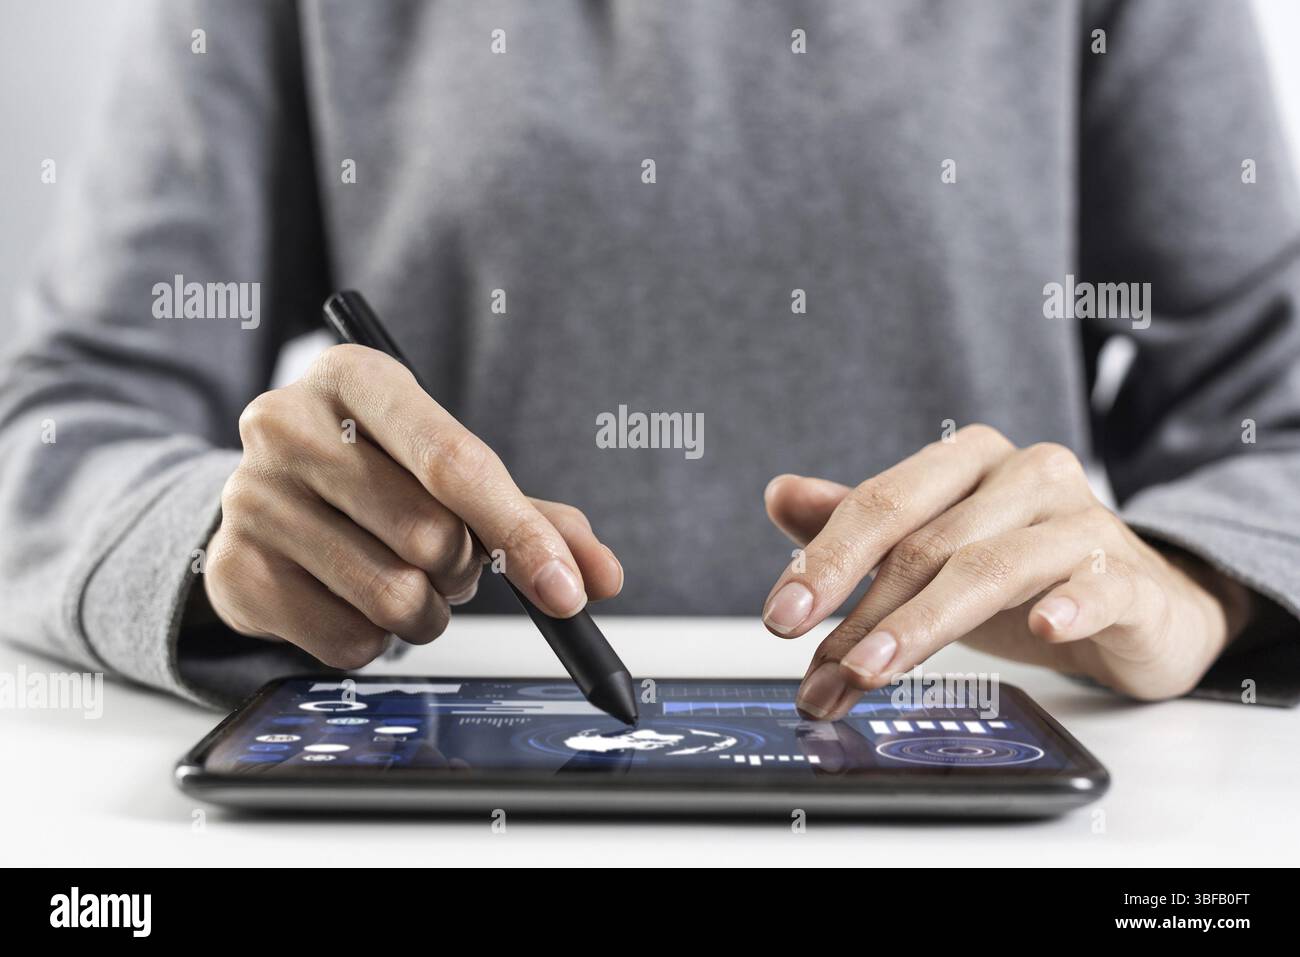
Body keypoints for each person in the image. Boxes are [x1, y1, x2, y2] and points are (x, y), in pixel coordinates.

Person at [2, 0, 1298, 717]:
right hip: (440, 813)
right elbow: (60, 418)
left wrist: (1193, 585)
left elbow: (1276, 410)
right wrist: (213, 545)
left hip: (1005, 786)